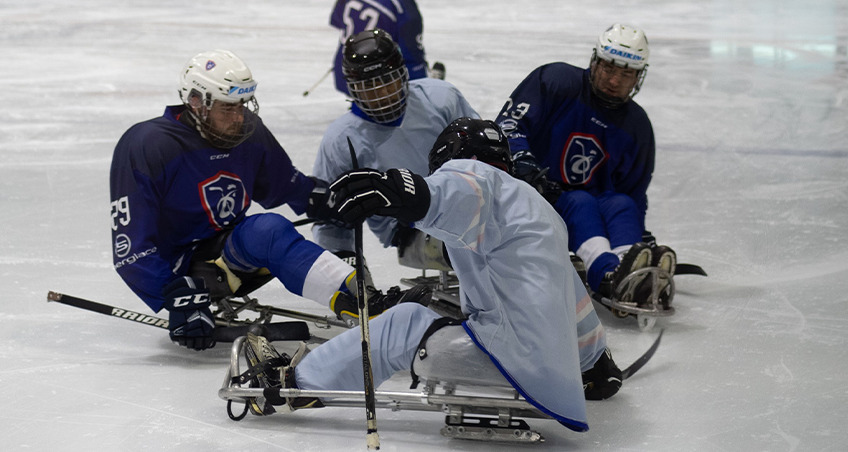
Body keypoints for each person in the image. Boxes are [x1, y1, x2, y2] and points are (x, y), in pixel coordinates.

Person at [242, 119, 622, 429]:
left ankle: (291, 385)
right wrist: (593, 363)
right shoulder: (540, 212)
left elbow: (453, 190)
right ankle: (589, 365)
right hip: (556, 382)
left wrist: (393, 190)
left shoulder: (481, 180)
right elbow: (569, 295)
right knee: (434, 320)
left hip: (511, 367)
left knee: (405, 323)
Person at [109, 49, 429, 352]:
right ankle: (362, 303)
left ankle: (365, 302)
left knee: (267, 230)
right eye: (228, 108)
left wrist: (330, 201)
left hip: (230, 255)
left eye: (244, 104)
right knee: (266, 230)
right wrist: (174, 296)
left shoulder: (247, 131)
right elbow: (131, 249)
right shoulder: (147, 145)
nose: (239, 117)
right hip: (180, 271)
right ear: (196, 102)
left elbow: (286, 185)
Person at [495, 24, 676, 303]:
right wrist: (523, 162)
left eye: (626, 73)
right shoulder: (557, 81)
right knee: (580, 201)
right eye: (609, 68)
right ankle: (607, 277)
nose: (614, 80)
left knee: (622, 204)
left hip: (590, 202)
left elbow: (633, 193)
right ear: (594, 61)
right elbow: (508, 125)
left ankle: (632, 271)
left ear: (639, 76)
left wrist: (638, 232)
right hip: (536, 196)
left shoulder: (637, 126)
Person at [312, 29, 478, 269]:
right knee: (479, 245)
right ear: (353, 89)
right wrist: (345, 273)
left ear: (403, 74)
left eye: (388, 81)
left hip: (465, 205)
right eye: (369, 87)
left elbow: (485, 158)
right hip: (412, 233)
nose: (382, 94)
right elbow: (331, 218)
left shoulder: (442, 98)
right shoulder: (341, 140)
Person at [329, 0, 442, 97]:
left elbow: (337, 21)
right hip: (380, 86)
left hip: (345, 73)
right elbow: (412, 58)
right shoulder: (403, 9)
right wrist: (425, 90)